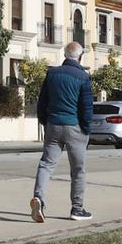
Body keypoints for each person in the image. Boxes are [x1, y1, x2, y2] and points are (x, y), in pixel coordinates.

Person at [30, 40, 93, 222]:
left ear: (65, 55)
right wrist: (86, 130)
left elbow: (42, 101)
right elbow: (86, 107)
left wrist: (45, 121)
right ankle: (77, 209)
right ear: (80, 57)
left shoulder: (52, 74)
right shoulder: (83, 77)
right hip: (75, 127)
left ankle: (39, 198)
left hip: (53, 125)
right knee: (78, 170)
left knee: (46, 164)